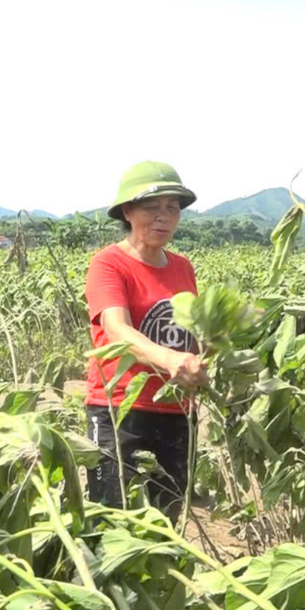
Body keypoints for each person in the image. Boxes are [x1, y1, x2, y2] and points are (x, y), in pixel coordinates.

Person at [84, 161, 208, 519]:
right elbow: (117, 329)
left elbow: (191, 333)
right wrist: (170, 361)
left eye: (172, 208)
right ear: (127, 211)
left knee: (166, 519)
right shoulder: (109, 264)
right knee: (114, 520)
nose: (163, 217)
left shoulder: (182, 267)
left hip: (177, 411)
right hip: (121, 407)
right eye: (152, 207)